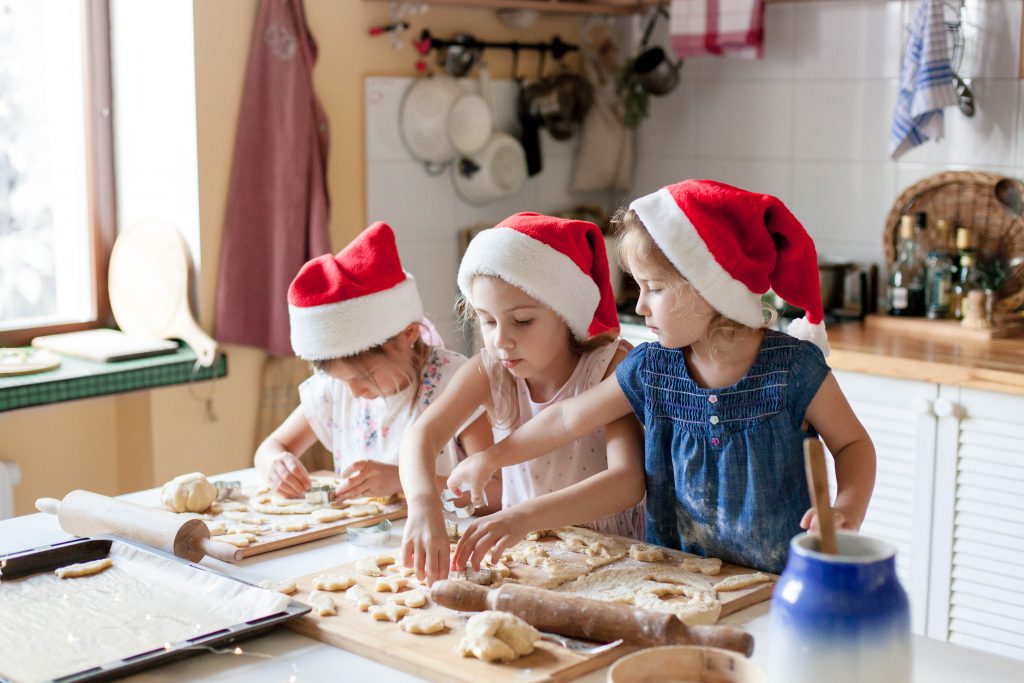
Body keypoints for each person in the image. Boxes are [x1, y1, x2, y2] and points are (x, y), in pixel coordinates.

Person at [447, 181, 876, 574]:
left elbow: (852, 443)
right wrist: (492, 457)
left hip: (778, 579)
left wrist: (846, 509)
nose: (640, 307)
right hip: (674, 575)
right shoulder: (652, 368)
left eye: (653, 287)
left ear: (709, 288)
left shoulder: (793, 369)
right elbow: (566, 419)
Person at [400, 213, 646, 583]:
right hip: (528, 559)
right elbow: (422, 436)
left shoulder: (608, 369)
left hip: (612, 561)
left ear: (567, 315)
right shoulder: (490, 371)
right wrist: (421, 503)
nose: (501, 340)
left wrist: (526, 515)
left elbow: (627, 482)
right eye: (487, 320)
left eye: (522, 321)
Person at [254, 221, 493, 503]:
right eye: (343, 380)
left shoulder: (455, 384)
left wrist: (405, 482)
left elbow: (497, 492)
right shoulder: (336, 389)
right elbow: (270, 447)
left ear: (408, 335)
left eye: (365, 376)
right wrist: (275, 464)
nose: (353, 392)